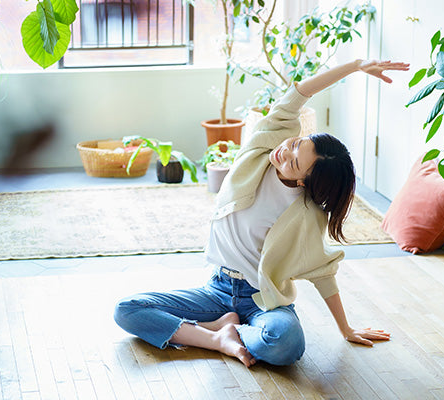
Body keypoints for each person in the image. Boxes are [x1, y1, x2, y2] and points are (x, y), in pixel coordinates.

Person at [114, 59, 409, 367]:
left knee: (287, 344)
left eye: (294, 162)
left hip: (261, 300)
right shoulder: (261, 147)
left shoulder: (306, 214)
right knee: (128, 310)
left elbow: (323, 272)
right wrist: (356, 66)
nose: (285, 153)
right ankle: (216, 336)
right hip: (216, 290)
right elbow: (299, 93)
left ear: (302, 181)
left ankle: (227, 331)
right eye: (295, 144)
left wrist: (345, 329)